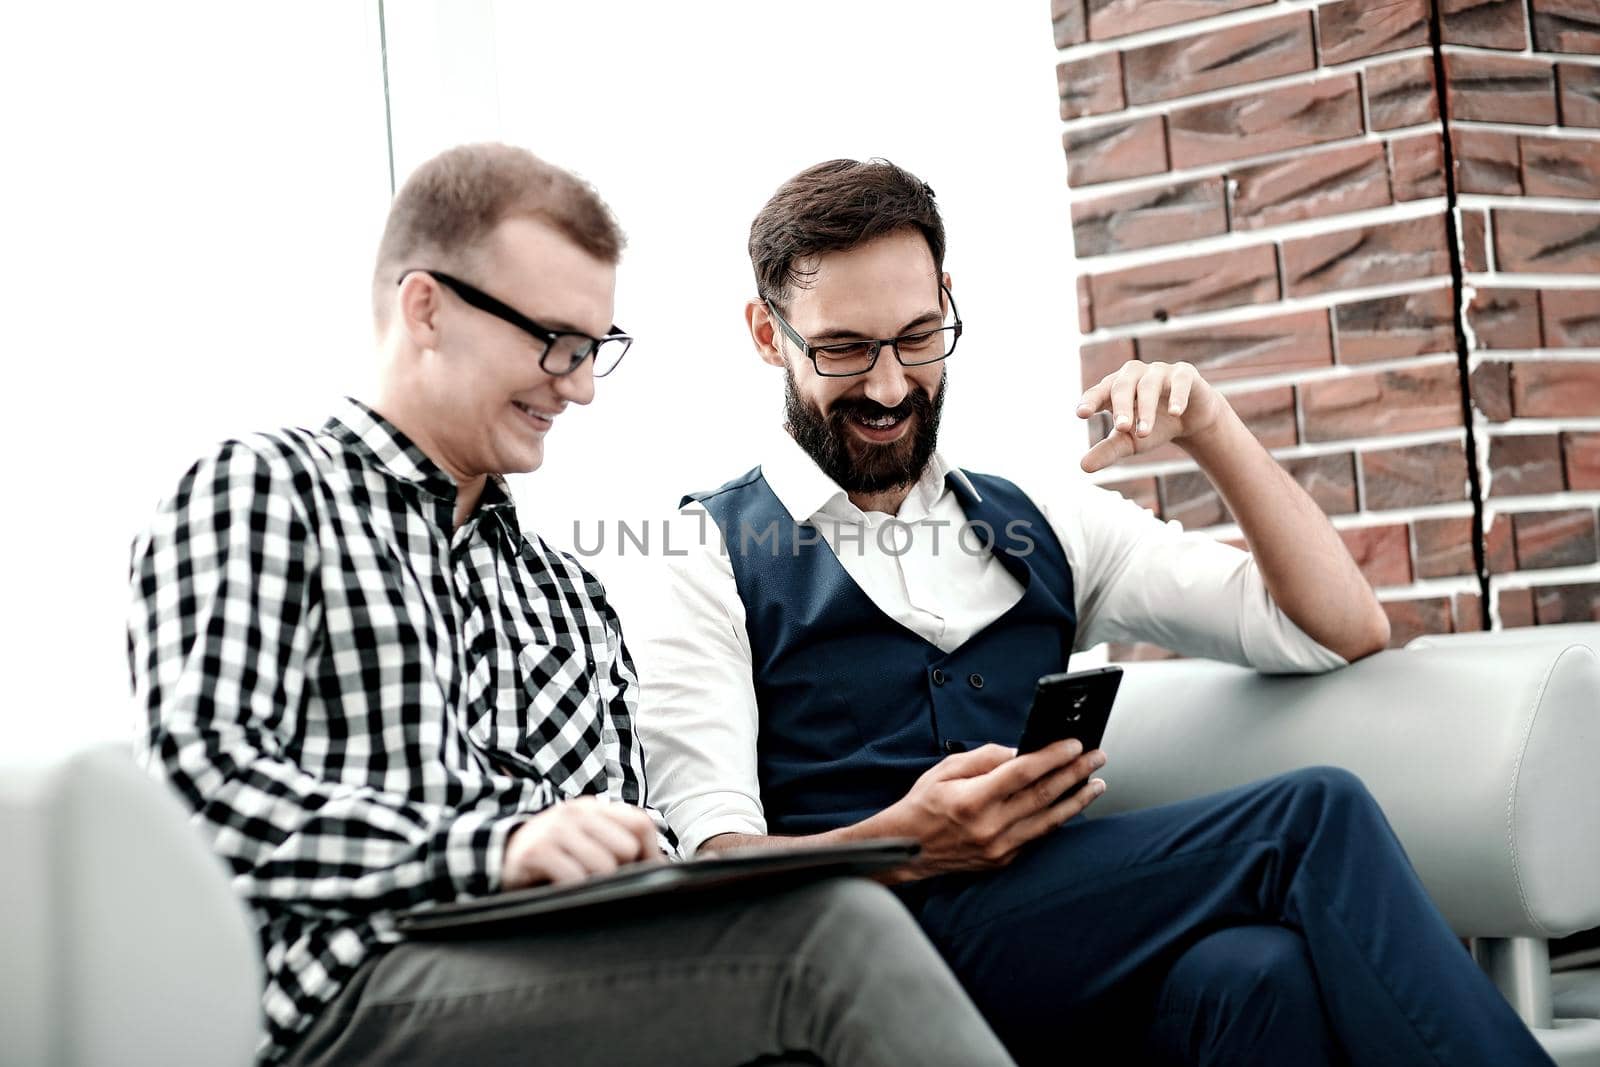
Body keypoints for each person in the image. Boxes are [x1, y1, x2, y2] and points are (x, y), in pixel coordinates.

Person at [637, 157, 1556, 1066]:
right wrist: (900, 844)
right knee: (1311, 814)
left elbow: (1336, 628)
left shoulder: (1044, 518)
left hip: (1053, 946)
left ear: (948, 300)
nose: (888, 387)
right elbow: (717, 867)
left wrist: (1210, 427)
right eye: (844, 349)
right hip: (861, 952)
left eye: (918, 337)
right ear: (768, 334)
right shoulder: (706, 550)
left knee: (1256, 974)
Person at [127, 144, 1018, 1067]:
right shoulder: (268, 492)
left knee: (808, 959)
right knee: (832, 939)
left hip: (561, 982)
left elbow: (613, 840)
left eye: (595, 350)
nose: (581, 385)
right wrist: (494, 849)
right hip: (355, 996)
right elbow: (203, 792)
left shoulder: (563, 592)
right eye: (554, 340)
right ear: (426, 308)